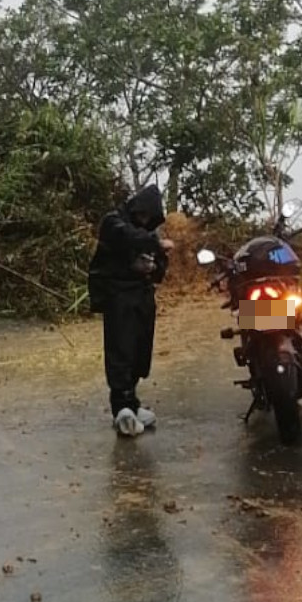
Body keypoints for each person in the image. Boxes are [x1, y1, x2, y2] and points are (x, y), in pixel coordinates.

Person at [87, 184, 174, 437]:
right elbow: (128, 237)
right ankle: (121, 406)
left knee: (139, 349)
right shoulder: (113, 222)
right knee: (120, 348)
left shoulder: (147, 232)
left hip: (143, 296)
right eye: (144, 216)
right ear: (138, 208)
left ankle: (132, 402)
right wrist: (155, 243)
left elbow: (159, 270)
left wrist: (153, 264)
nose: (146, 222)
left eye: (150, 219)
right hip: (118, 296)